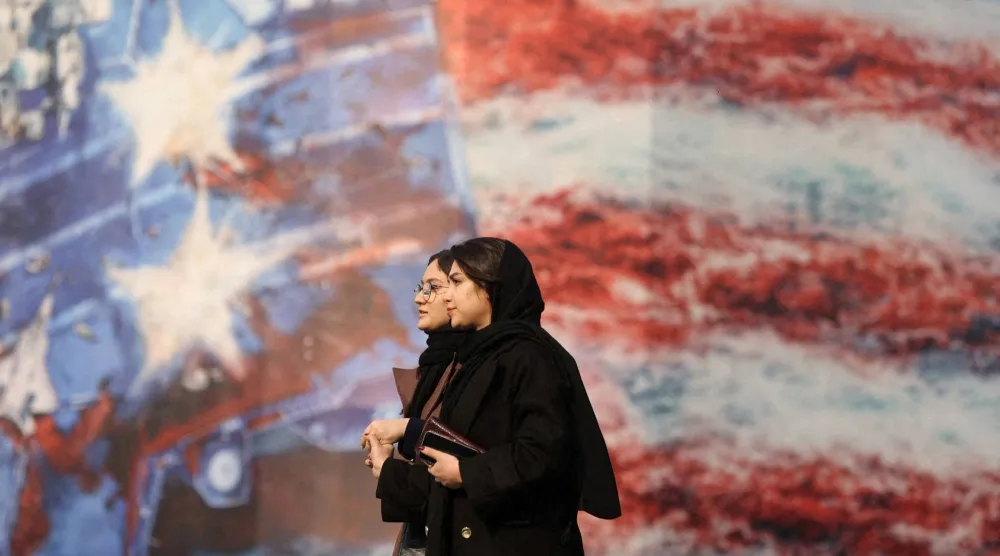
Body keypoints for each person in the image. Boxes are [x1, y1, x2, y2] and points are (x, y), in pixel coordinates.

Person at [370, 237, 620, 556]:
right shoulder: (480, 359)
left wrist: (464, 473)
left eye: (456, 282)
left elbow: (544, 453)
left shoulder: (531, 356)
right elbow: (462, 452)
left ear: (490, 287)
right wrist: (392, 471)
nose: (447, 294)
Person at [362, 250, 468, 555]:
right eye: (420, 288)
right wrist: (389, 465)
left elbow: (470, 474)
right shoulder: (432, 370)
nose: (419, 299)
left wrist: (405, 438)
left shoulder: (475, 370)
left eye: (432, 288)